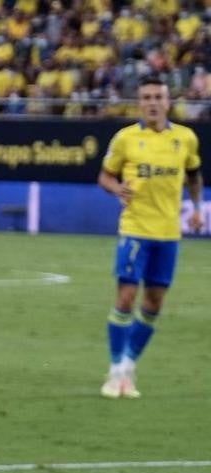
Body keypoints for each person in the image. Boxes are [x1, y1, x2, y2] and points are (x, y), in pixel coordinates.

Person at [97, 75, 202, 398]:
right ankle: (115, 371)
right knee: (126, 298)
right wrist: (117, 188)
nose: (153, 102)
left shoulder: (185, 138)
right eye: (147, 97)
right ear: (140, 103)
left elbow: (194, 175)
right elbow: (104, 176)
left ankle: (129, 364)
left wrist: (197, 208)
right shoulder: (126, 139)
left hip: (169, 233)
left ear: (168, 102)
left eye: (159, 96)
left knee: (154, 303)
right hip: (135, 229)